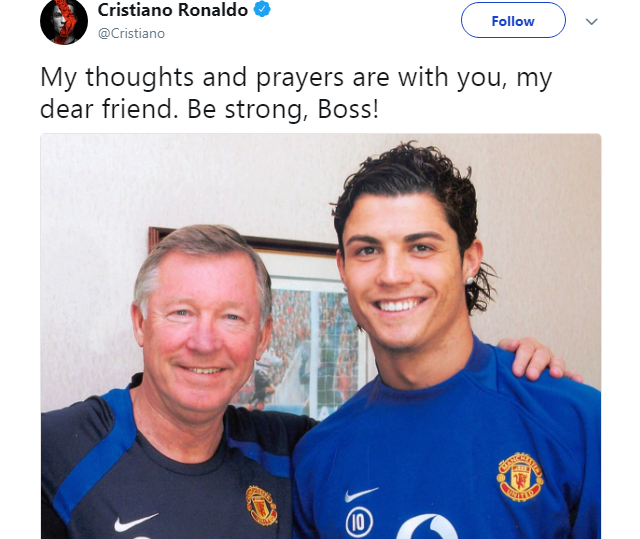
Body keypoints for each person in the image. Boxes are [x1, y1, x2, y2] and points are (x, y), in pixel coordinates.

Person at [41, 225, 576, 538]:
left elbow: (413, 434)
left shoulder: (292, 450)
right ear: (140, 323)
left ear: (262, 338)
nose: (205, 342)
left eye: (232, 317)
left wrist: (516, 382)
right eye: (181, 312)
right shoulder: (52, 453)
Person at [292, 144, 600, 538]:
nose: (392, 275)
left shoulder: (577, 422)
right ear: (343, 267)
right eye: (367, 250)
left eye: (421, 247)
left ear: (469, 259)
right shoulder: (318, 458)